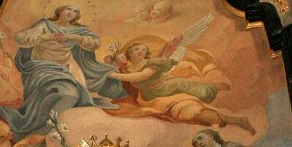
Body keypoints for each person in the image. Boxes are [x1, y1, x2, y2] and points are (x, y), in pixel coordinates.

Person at [0, 5, 127, 140]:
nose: (71, 13)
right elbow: (21, 38)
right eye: (68, 9)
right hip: (43, 67)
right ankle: (43, 129)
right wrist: (44, 37)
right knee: (69, 94)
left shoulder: (77, 30)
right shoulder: (45, 26)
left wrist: (72, 37)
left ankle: (48, 132)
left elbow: (94, 43)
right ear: (60, 11)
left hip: (68, 68)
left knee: (73, 102)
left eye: (75, 11)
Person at [107, 42, 255, 133]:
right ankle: (217, 97)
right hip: (150, 98)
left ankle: (209, 90)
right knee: (185, 107)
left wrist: (114, 75)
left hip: (165, 88)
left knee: (181, 85)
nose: (141, 51)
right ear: (129, 53)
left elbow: (141, 76)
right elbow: (113, 63)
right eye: (136, 49)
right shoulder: (127, 68)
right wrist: (114, 65)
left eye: (143, 50)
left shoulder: (150, 64)